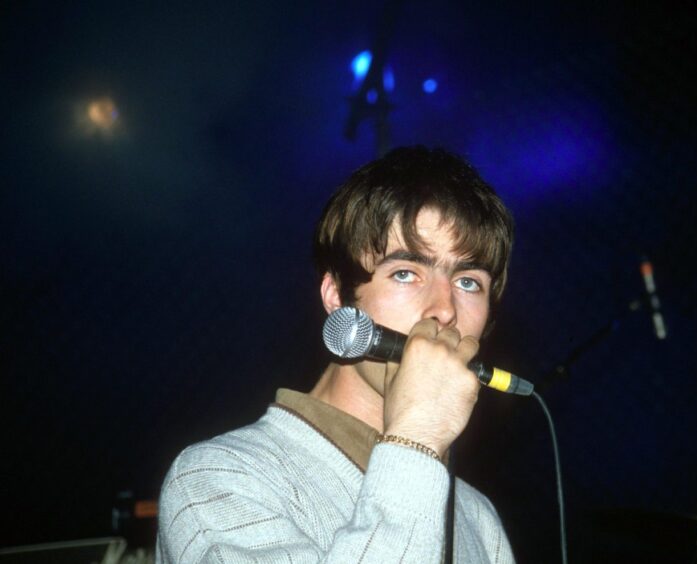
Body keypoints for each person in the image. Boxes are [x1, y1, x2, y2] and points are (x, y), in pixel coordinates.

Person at [157, 146, 516, 563]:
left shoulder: (478, 519)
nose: (445, 309)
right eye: (405, 273)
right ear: (336, 298)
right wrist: (416, 438)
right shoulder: (217, 479)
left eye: (469, 282)